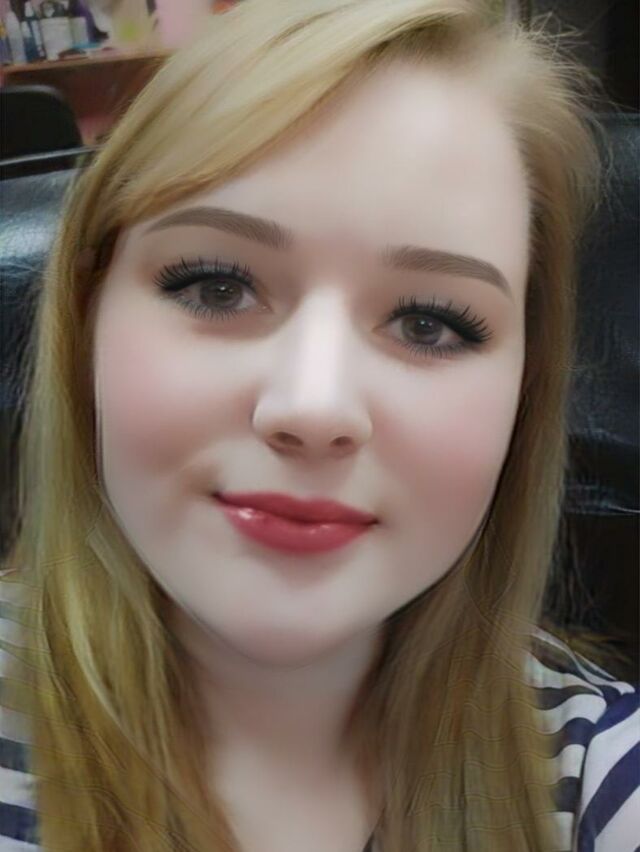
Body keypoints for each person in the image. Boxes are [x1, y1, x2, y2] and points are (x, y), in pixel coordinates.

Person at [0, 1, 638, 850]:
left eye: (429, 324)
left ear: (528, 386)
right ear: (86, 321)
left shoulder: (604, 776)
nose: (313, 406)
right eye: (217, 286)